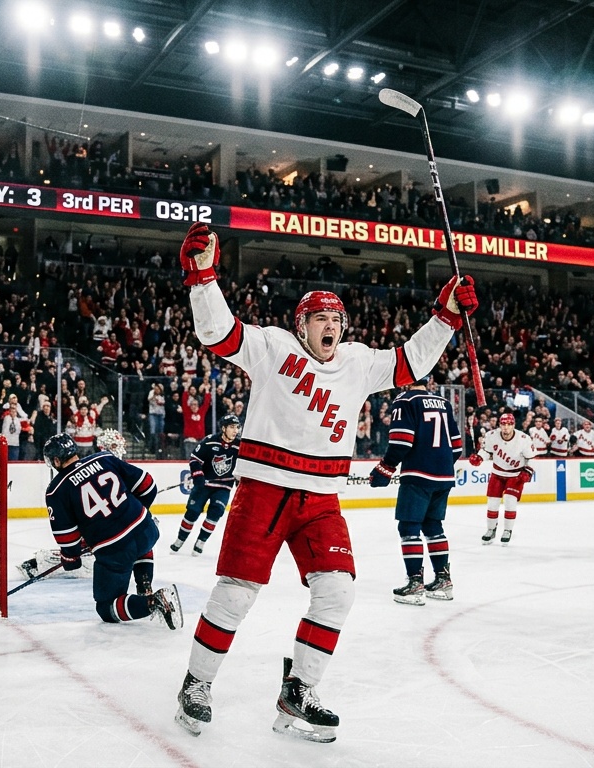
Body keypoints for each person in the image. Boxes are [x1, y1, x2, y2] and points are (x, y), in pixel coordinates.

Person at [171, 222, 477, 743]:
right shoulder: (272, 348)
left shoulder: (358, 362)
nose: (331, 325)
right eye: (321, 318)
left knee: (337, 592)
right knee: (235, 595)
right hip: (264, 492)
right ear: (302, 324)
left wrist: (446, 317)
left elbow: (410, 361)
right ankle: (196, 685)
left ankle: (300, 690)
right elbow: (218, 335)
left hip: (320, 499)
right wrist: (202, 279)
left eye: (337, 318)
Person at [35, 433, 183, 627]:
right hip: (147, 530)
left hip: (115, 551)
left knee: (106, 607)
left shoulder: (56, 490)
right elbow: (148, 486)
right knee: (138, 536)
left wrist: (71, 560)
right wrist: (137, 512)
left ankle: (153, 601)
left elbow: (68, 539)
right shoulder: (103, 458)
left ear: (56, 460)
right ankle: (144, 586)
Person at [369, 376, 461, 605]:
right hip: (444, 476)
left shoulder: (405, 400)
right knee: (433, 526)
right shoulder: (443, 403)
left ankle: (415, 584)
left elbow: (402, 441)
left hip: (418, 475)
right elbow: (457, 446)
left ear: (404, 381)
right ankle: (443, 580)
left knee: (409, 527)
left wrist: (385, 467)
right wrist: (440, 464)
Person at [172, 414, 241, 555]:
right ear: (223, 428)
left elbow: (244, 465)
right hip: (204, 485)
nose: (235, 431)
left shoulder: (239, 446)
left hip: (223, 487)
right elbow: (194, 459)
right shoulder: (209, 441)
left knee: (216, 512)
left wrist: (239, 479)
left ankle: (201, 541)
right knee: (192, 512)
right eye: (232, 427)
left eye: (237, 427)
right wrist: (198, 475)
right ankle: (180, 539)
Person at [468, 412, 536, 545]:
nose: (506, 427)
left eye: (509, 424)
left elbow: (531, 458)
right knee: (492, 503)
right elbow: (487, 451)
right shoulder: (491, 436)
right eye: (503, 424)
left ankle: (507, 530)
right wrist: (480, 457)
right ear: (499, 425)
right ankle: (491, 529)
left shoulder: (523, 439)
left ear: (513, 425)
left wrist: (528, 471)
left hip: (515, 475)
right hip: (497, 473)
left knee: (510, 501)